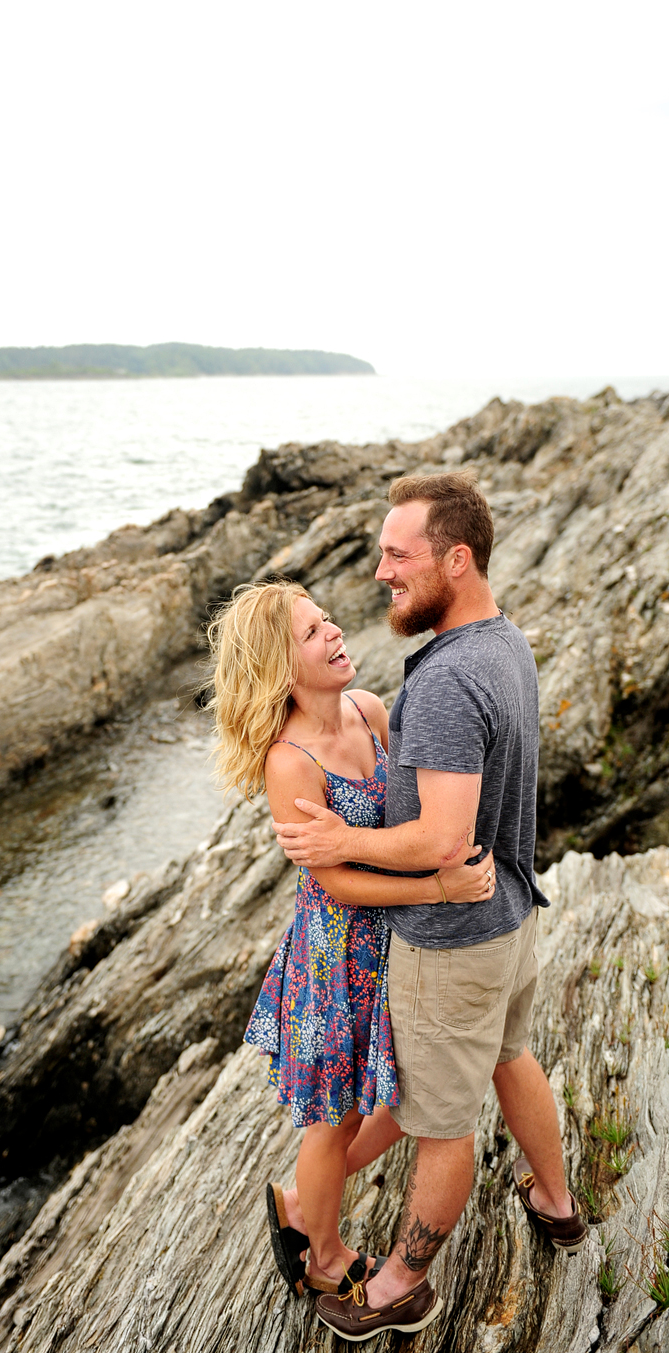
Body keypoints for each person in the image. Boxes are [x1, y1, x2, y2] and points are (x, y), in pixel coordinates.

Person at [272, 472, 587, 1343]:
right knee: (511, 1055)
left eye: (397, 553)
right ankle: (557, 1203)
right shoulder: (504, 640)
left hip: (453, 939)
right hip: (513, 915)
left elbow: (442, 841)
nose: (380, 571)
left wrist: (343, 843)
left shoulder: (446, 683)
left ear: (456, 557)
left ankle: (401, 1284)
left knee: (440, 1126)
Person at [206, 580, 495, 1315]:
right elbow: (333, 882)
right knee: (332, 1115)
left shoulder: (370, 711)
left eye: (327, 618)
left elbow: (422, 810)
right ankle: (324, 1252)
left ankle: (303, 1198)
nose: (335, 632)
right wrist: (439, 891)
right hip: (336, 956)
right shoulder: (289, 760)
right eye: (312, 632)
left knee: (407, 1091)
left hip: (397, 941)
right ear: (280, 665)